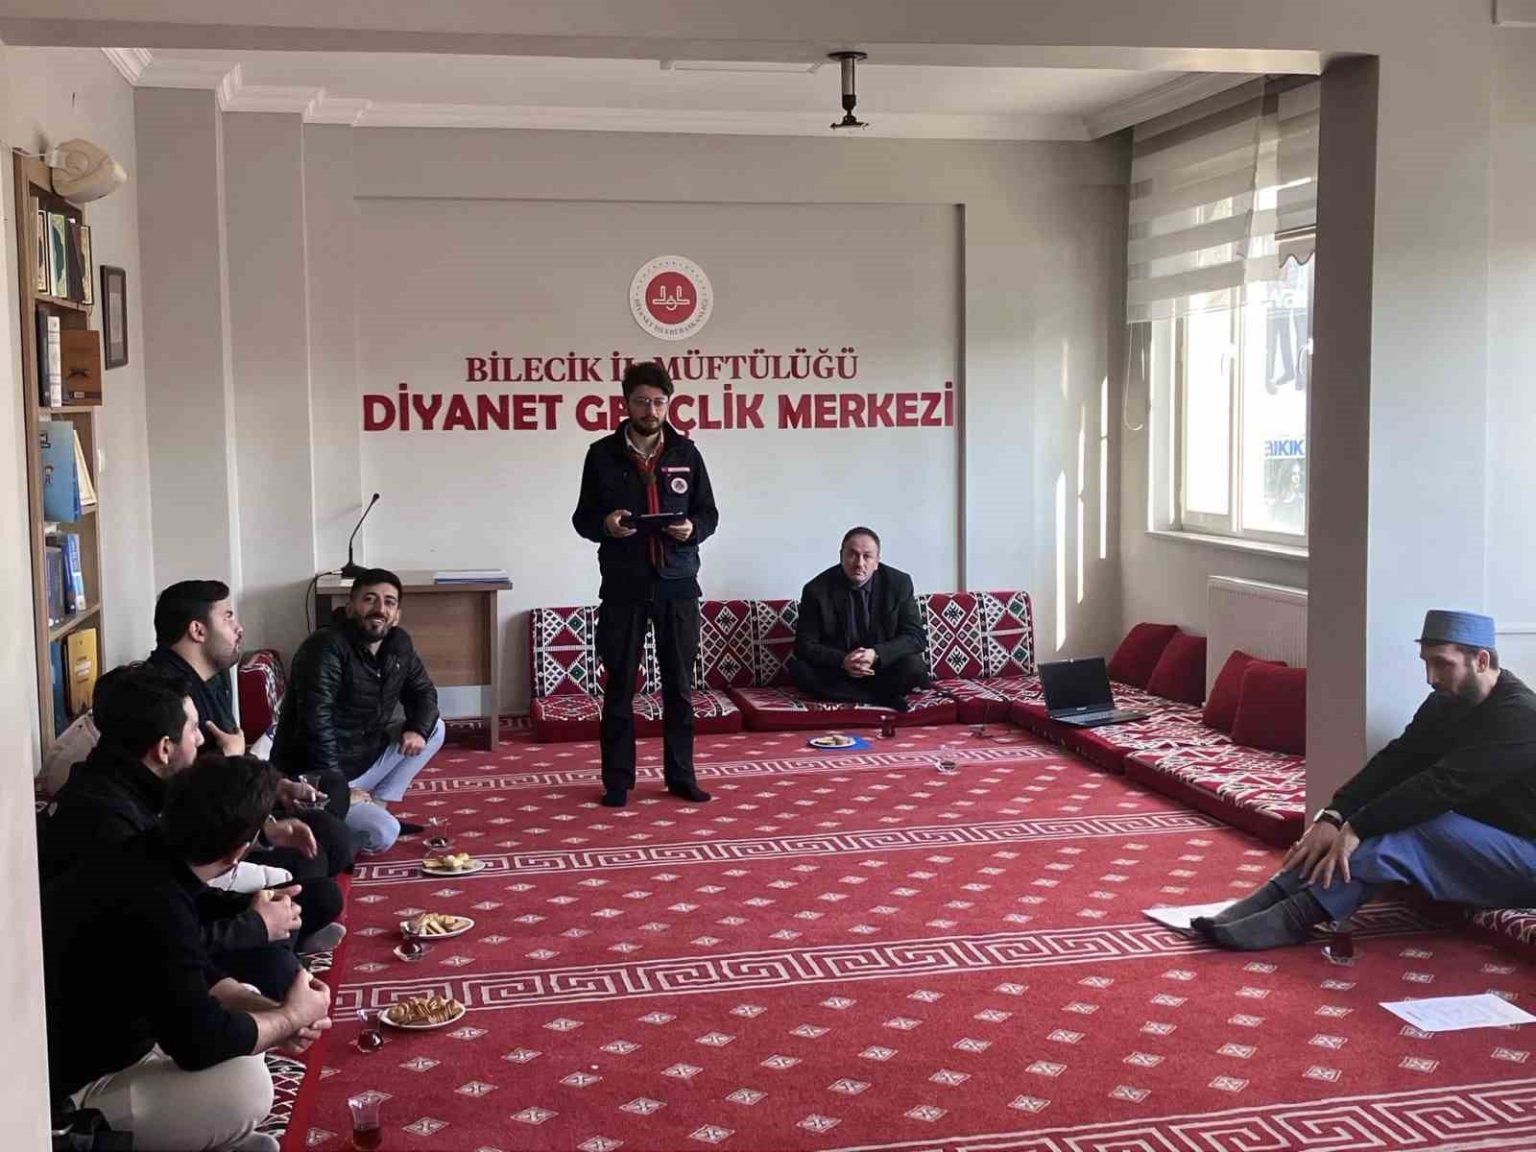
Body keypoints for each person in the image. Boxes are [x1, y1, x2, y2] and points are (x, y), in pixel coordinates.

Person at [1195, 610, 1536, 951]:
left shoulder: (1521, 716)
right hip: (1488, 841)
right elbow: (1396, 760)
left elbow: (1442, 785)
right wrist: (1334, 815)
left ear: (1481, 660)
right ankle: (1272, 897)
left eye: (1442, 664)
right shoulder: (1446, 702)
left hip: (1527, 859)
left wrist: (1357, 827)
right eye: (1426, 663)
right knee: (1382, 817)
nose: (1431, 677)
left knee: (1413, 827)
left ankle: (1295, 917)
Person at [42, 753, 333, 1152]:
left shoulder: (146, 852)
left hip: (129, 1037)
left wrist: (272, 1011)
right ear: (238, 852)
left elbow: (179, 964)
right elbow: (199, 1044)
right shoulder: (155, 900)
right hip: (75, 1091)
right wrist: (290, 1018)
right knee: (247, 1088)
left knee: (246, 1008)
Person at [39, 663, 328, 996]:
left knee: (309, 899)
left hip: (171, 928)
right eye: (193, 729)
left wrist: (250, 906)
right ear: (164, 748)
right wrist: (253, 925)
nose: (201, 739)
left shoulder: (134, 782)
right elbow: (159, 940)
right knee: (276, 966)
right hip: (115, 972)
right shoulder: (106, 821)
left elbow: (184, 889)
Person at [572, 360, 719, 808]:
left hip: (678, 584)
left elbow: (709, 514)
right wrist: (606, 524)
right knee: (619, 685)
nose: (650, 410)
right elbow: (582, 518)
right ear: (625, 403)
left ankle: (681, 777)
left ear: (669, 404)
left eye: (658, 402)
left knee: (680, 687)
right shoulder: (601, 454)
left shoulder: (687, 453)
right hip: (623, 584)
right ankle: (618, 781)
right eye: (641, 402)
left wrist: (693, 529)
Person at [148, 578, 355, 880]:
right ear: (198, 630)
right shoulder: (167, 694)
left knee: (332, 787)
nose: (239, 628)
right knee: (322, 849)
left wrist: (277, 786)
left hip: (237, 796)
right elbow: (193, 796)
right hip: (210, 824)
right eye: (228, 617)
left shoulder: (214, 677)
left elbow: (234, 761)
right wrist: (238, 767)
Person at [272, 567, 445, 852]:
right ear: (350, 607)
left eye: (389, 602)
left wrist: (417, 728)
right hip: (314, 775)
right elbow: (316, 724)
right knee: (383, 834)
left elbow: (424, 693)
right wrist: (340, 791)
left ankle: (377, 804)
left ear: (397, 614)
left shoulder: (398, 643)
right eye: (370, 599)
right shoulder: (325, 647)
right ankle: (323, 822)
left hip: (363, 758)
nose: (379, 609)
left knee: (433, 728)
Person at [787, 526, 930, 711]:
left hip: (883, 669)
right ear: (841, 556)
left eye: (867, 556)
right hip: (838, 671)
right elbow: (804, 646)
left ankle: (862, 695)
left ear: (877, 561)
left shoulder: (899, 584)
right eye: (852, 555)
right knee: (800, 670)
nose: (859, 563)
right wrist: (844, 660)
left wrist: (875, 654)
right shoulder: (816, 590)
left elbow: (916, 637)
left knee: (914, 665)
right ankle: (883, 697)